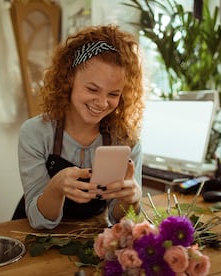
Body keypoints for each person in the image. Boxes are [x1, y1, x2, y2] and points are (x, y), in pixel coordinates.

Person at [17, 24, 145, 230]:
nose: (102, 103)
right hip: (34, 237)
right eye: (92, 89)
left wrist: (133, 198)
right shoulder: (35, 133)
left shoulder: (126, 140)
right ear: (69, 79)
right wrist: (57, 187)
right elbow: (38, 220)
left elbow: (121, 220)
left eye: (113, 94)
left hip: (91, 236)